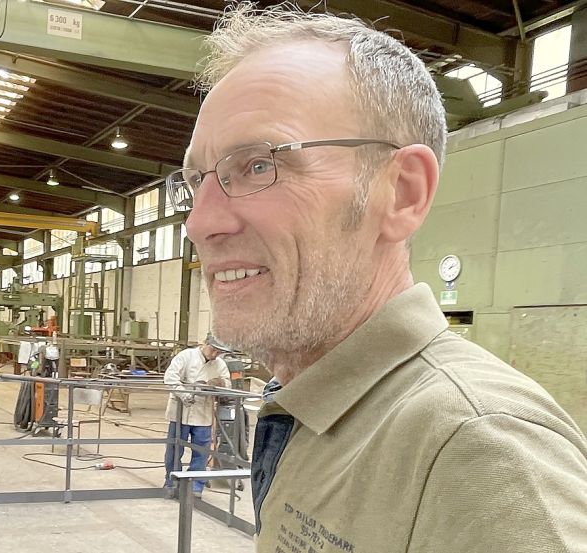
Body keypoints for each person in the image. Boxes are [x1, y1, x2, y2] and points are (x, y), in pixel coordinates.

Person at [170, 4, 587, 551]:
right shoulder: (311, 405)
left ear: (402, 193)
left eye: (258, 165)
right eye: (198, 180)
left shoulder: (477, 448)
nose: (200, 223)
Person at [163, 334, 233, 499]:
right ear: (205, 343)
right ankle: (172, 482)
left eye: (219, 352)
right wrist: (186, 394)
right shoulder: (186, 356)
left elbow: (228, 383)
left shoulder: (220, 364)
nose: (215, 354)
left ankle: (195, 485)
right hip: (180, 411)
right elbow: (170, 377)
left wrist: (220, 384)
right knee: (174, 449)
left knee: (201, 451)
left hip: (203, 413)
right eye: (213, 350)